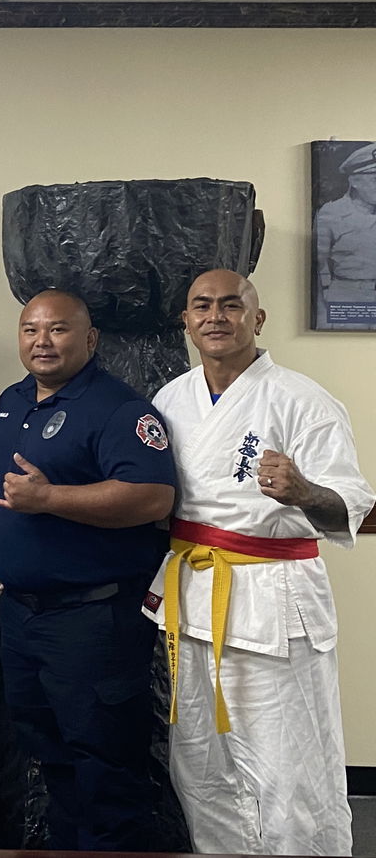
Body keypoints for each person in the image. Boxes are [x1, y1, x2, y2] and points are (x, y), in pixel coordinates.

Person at [145, 269, 373, 856]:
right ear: (186, 321)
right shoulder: (171, 398)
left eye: (231, 305)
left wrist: (303, 492)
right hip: (194, 593)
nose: (215, 316)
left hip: (274, 597)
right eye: (201, 306)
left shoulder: (304, 400)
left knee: (288, 764)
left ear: (257, 319)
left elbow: (350, 502)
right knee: (201, 761)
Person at [0, 289, 176, 851]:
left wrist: (50, 500)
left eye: (58, 330)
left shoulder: (121, 409)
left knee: (106, 765)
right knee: (50, 756)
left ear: (90, 339)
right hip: (23, 617)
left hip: (94, 620)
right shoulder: (11, 401)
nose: (42, 341)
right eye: (30, 330)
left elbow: (152, 499)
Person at [315, 143, 376, 322]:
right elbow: (318, 264)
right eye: (374, 179)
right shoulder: (332, 213)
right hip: (346, 297)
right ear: (354, 181)